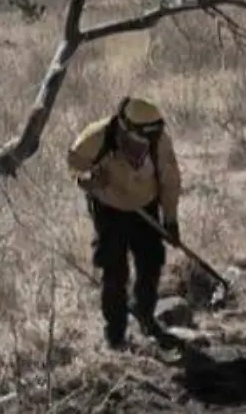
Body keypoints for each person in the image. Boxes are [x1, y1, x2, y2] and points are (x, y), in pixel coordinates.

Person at [67, 96, 183, 351]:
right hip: (108, 208)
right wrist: (89, 180)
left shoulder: (159, 142)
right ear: (123, 127)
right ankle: (116, 335)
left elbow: (169, 181)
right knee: (114, 270)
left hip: (145, 206)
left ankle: (145, 316)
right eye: (135, 142)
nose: (141, 148)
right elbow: (75, 166)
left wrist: (171, 221)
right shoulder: (95, 137)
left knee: (151, 263)